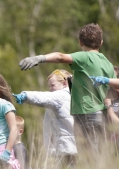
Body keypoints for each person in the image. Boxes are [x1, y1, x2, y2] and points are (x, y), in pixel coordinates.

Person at [18, 23, 115, 154]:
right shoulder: (107, 63)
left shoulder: (85, 57)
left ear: (80, 42)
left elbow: (60, 57)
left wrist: (39, 58)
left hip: (86, 114)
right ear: (101, 42)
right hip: (101, 115)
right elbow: (113, 89)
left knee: (88, 157)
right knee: (99, 155)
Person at [13, 69, 77, 167]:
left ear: (64, 83)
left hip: (65, 149)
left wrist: (26, 96)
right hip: (69, 147)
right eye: (49, 86)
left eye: (53, 85)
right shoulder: (71, 95)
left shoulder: (61, 95)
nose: (50, 89)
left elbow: (43, 97)